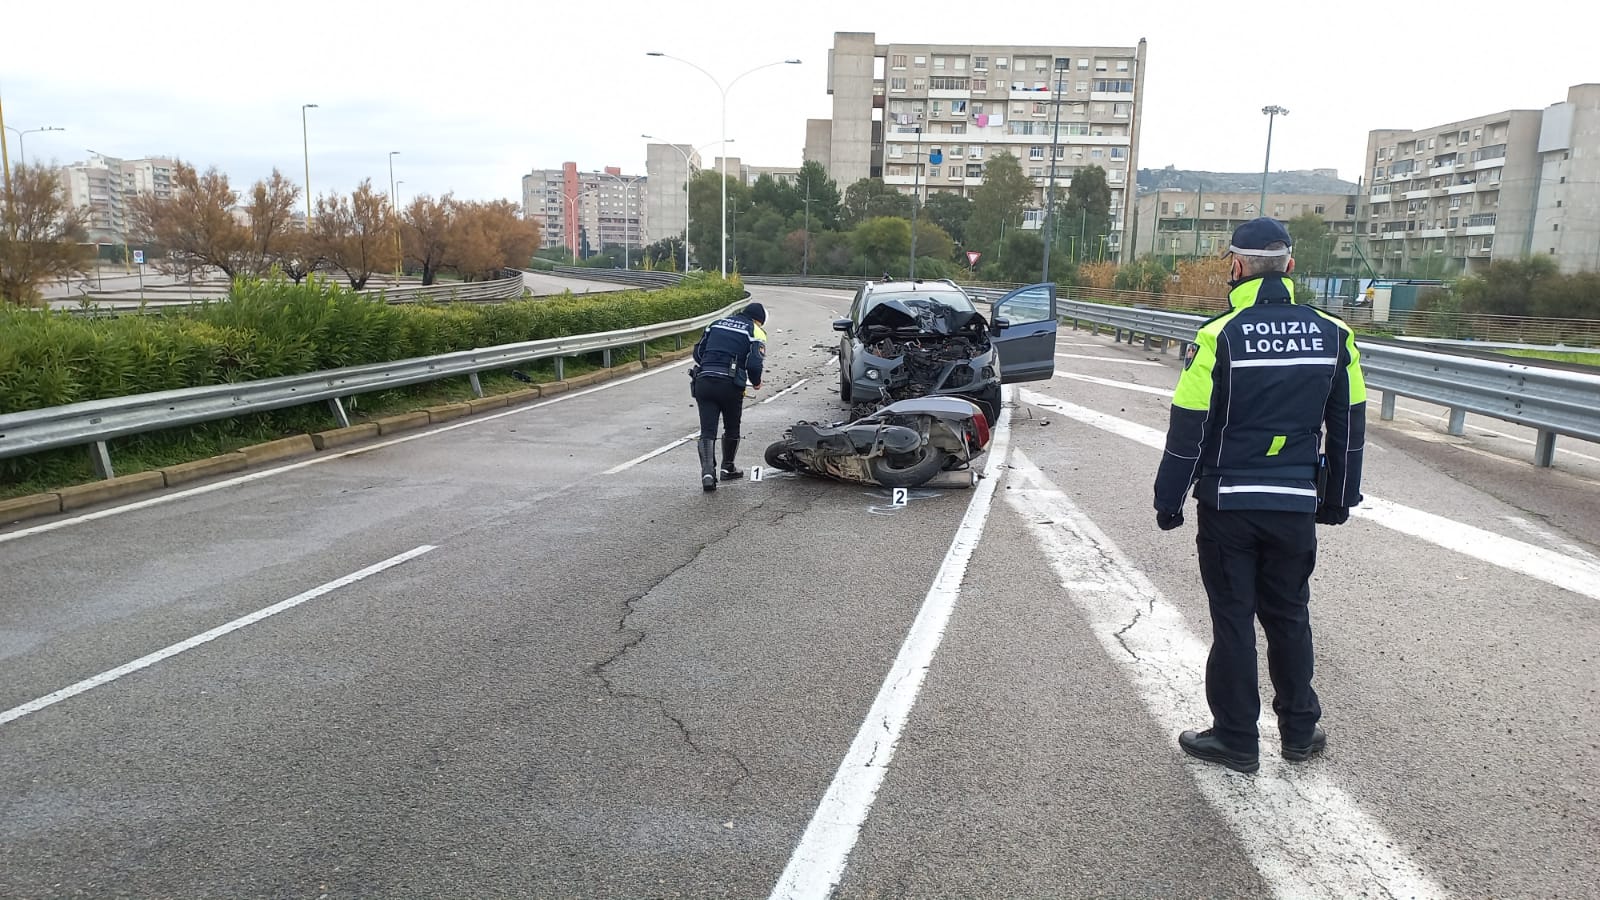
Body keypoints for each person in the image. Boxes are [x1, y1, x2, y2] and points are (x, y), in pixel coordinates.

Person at [1152, 217, 1367, 774]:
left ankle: (1236, 739)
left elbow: (1189, 425)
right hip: (1293, 503)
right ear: (1290, 266)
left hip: (1229, 505)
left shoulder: (1218, 334)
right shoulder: (1334, 335)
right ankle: (1300, 731)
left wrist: (1169, 498)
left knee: (1233, 619)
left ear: (1236, 266)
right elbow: (1348, 423)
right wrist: (1339, 497)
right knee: (1289, 615)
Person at [691, 302, 767, 491]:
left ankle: (708, 473)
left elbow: (698, 352)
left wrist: (711, 365)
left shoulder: (716, 323)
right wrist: (756, 382)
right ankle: (727, 468)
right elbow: (755, 363)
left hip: (704, 380)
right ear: (758, 321)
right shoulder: (755, 331)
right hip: (729, 384)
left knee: (707, 430)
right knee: (732, 426)